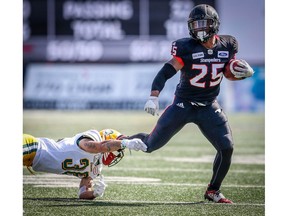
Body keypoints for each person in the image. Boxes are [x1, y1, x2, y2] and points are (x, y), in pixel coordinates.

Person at [129, 4, 254, 204]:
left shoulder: (228, 45)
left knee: (227, 147)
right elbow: (166, 71)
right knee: (149, 145)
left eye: (203, 23)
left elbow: (229, 72)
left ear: (214, 25)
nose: (199, 28)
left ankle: (213, 190)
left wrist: (241, 73)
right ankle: (118, 142)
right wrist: (154, 95)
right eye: (195, 24)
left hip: (209, 105)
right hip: (183, 105)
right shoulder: (186, 47)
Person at [23, 128, 147, 200]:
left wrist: (94, 193)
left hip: (31, 160)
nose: (116, 153)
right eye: (117, 149)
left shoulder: (96, 168)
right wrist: (124, 143)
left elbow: (82, 192)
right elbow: (97, 147)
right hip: (32, 146)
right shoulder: (92, 137)